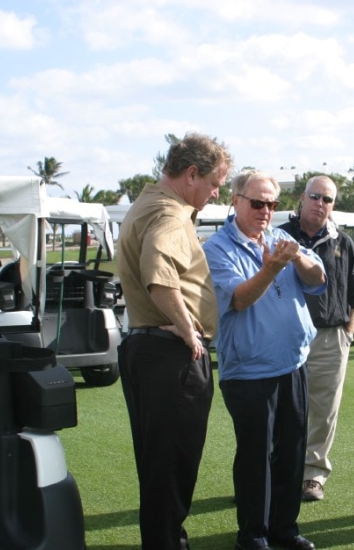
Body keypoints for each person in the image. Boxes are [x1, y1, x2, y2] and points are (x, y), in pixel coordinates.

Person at [116, 132, 232, 550]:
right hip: (171, 357)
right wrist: (187, 328)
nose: (216, 192)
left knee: (158, 466)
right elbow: (158, 272)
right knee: (172, 468)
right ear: (190, 174)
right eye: (214, 183)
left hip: (146, 348)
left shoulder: (145, 204)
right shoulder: (169, 214)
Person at [203, 170, 326, 550]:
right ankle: (253, 535)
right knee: (256, 456)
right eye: (258, 203)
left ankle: (284, 530)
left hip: (291, 362)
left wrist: (299, 262)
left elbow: (319, 277)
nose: (266, 211)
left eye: (272, 204)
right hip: (249, 371)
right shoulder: (216, 248)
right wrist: (272, 267)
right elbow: (237, 299)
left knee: (291, 453)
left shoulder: (280, 237)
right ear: (235, 201)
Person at [278, 175, 354, 502]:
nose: (320, 204)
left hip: (331, 337)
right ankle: (275, 473)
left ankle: (313, 476)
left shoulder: (343, 243)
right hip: (283, 336)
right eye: (315, 197)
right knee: (279, 408)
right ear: (302, 199)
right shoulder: (279, 237)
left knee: (323, 411)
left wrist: (347, 334)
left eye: (327, 200)